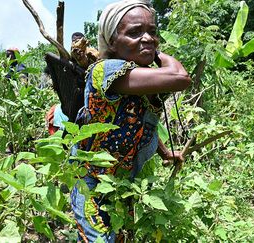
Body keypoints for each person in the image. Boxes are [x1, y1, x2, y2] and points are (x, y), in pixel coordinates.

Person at [70, 0, 191, 242]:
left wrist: (166, 153)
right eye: (135, 32)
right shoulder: (107, 71)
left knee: (122, 236)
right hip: (92, 185)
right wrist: (157, 52)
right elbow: (180, 77)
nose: (147, 38)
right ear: (112, 41)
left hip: (121, 185)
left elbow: (136, 124)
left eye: (152, 32)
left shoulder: (138, 76)